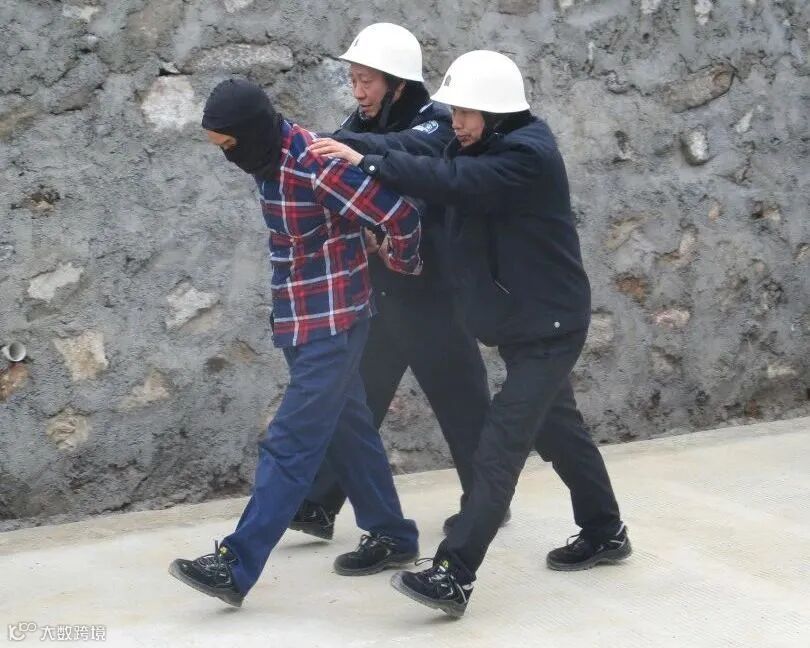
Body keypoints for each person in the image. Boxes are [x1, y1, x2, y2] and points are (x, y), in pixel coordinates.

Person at [310, 50, 631, 618]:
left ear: (497, 113)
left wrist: (365, 161)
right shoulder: (476, 145)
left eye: (465, 113)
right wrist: (374, 189)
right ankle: (606, 530)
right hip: (523, 324)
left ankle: (454, 572)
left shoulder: (526, 157)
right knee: (560, 431)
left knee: (499, 447)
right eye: (454, 110)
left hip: (552, 327)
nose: (454, 122)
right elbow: (429, 176)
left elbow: (450, 180)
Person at [168, 78, 422, 608]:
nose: (228, 157)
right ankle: (393, 534)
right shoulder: (266, 158)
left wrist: (400, 263)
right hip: (298, 320)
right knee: (348, 429)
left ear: (252, 132)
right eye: (220, 147)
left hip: (335, 324)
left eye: (230, 144)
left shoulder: (316, 163)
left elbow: (398, 215)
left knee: (291, 441)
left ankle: (236, 564)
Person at [290, 23, 503, 543]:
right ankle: (318, 504)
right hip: (383, 290)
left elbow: (403, 151)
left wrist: (344, 146)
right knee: (355, 401)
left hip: (436, 293)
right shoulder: (358, 123)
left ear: (399, 84)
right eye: (353, 80)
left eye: (367, 81)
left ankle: (487, 504)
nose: (358, 92)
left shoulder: (438, 121)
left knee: (462, 403)